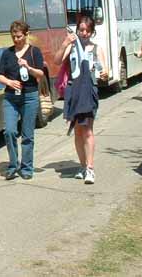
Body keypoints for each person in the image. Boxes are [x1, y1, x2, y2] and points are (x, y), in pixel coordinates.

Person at [54, 15, 108, 185]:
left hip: (88, 91)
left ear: (92, 32)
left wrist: (104, 73)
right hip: (73, 91)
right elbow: (56, 61)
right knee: (77, 131)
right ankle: (83, 166)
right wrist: (64, 44)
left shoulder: (96, 48)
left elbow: (104, 70)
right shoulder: (71, 46)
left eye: (87, 30)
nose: (84, 33)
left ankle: (90, 168)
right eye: (81, 30)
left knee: (88, 130)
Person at [0, 21, 45, 181]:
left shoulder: (34, 52)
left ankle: (27, 167)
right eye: (13, 37)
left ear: (26, 35)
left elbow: (40, 74)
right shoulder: (7, 54)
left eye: (18, 36)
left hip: (29, 97)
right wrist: (9, 82)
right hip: (10, 97)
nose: (16, 40)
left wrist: (28, 67)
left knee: (27, 135)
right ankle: (13, 165)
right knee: (9, 131)